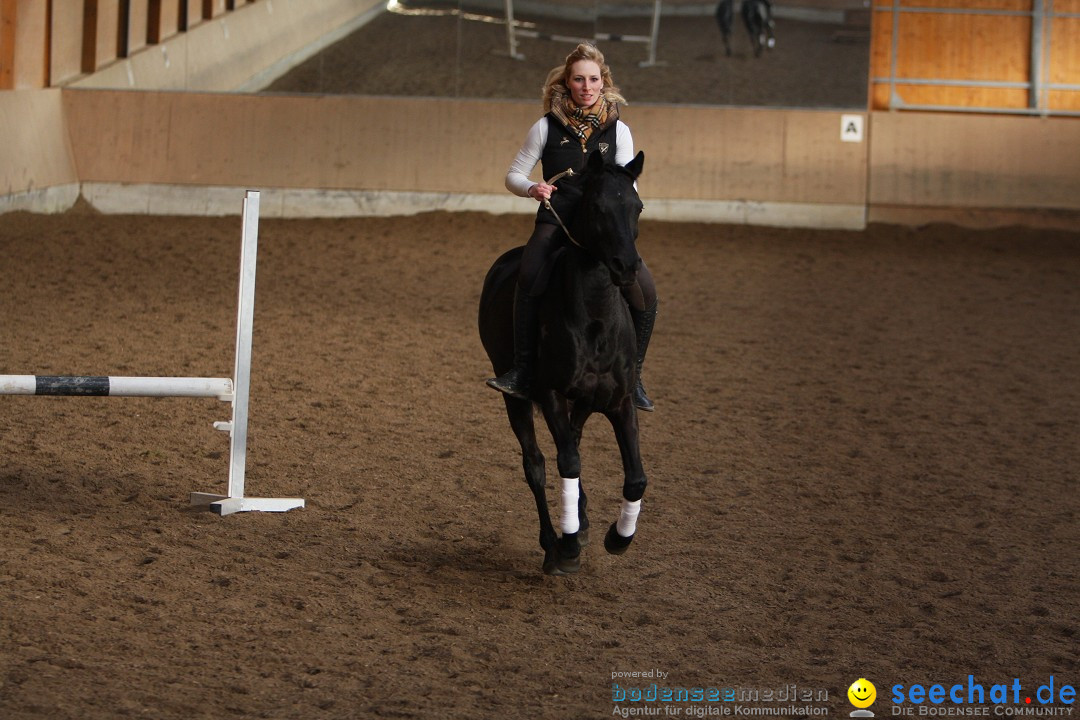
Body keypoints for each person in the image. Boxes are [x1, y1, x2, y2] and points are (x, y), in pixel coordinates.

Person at [485, 42, 658, 412]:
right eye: (578, 79)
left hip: (605, 230)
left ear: (603, 82)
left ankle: (635, 377)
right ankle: (521, 370)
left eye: (593, 79)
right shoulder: (546, 127)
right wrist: (532, 187)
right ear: (567, 82)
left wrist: (619, 210)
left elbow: (629, 181)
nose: (586, 86)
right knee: (529, 274)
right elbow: (513, 174)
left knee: (646, 290)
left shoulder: (619, 130)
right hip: (559, 220)